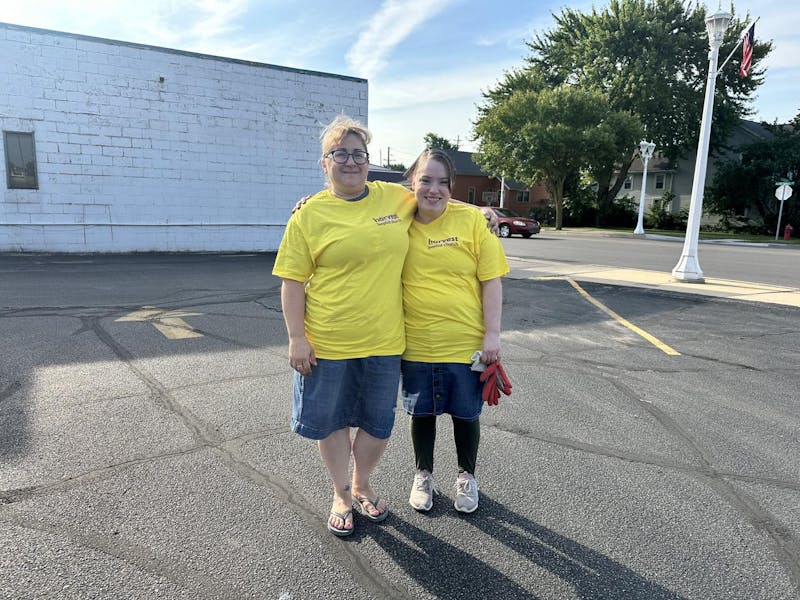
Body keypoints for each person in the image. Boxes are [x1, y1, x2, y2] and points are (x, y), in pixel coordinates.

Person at [273, 116, 497, 537]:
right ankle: (341, 493)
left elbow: (435, 196)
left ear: (368, 161)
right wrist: (297, 337)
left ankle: (362, 485)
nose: (351, 161)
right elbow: (291, 281)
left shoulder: (393, 197)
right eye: (341, 153)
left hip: (385, 341)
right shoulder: (309, 215)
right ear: (326, 163)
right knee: (334, 421)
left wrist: (481, 209)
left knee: (377, 423)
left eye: (359, 153)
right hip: (329, 341)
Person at [400, 148, 509, 514]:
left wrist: (492, 335)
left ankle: (467, 476)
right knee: (422, 412)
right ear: (411, 182)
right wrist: (310, 202)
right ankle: (423, 474)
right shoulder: (397, 216)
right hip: (415, 340)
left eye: (443, 182)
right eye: (426, 180)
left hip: (467, 341)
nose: (434, 189)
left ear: (452, 186)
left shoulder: (474, 221)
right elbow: (353, 197)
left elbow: (491, 281)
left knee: (467, 413)